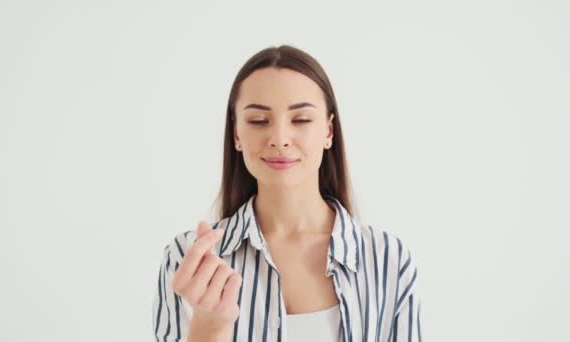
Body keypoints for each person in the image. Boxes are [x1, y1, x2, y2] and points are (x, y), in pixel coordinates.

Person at [152, 45, 423, 342]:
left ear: (329, 131)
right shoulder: (190, 260)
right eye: (258, 121)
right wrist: (210, 328)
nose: (279, 139)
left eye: (301, 120)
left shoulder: (387, 260)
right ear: (237, 135)